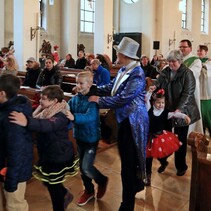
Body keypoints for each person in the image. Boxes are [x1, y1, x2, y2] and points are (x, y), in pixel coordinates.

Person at [89, 37, 149, 211]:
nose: (116, 54)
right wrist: (90, 89)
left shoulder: (137, 74)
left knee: (128, 164)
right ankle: (136, 184)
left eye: (118, 52)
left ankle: (127, 204)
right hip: (124, 120)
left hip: (134, 122)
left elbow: (122, 98)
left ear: (124, 55)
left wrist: (99, 101)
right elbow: (111, 87)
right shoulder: (124, 69)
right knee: (126, 158)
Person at [9, 85, 79, 211]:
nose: (40, 101)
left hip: (58, 154)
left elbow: (47, 125)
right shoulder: (43, 110)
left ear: (54, 101)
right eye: (41, 98)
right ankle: (65, 194)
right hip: (48, 152)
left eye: (44, 99)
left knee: (53, 186)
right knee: (47, 181)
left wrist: (27, 122)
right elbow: (38, 119)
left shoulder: (61, 114)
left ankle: (59, 206)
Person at [149, 49, 200, 176]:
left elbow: (188, 93)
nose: (171, 64)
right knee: (163, 138)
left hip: (183, 109)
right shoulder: (165, 71)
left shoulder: (187, 73)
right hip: (167, 110)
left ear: (180, 61)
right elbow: (159, 83)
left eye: (173, 62)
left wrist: (179, 109)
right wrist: (154, 87)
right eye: (169, 61)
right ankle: (163, 161)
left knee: (180, 140)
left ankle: (181, 166)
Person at [66, 71, 108, 207]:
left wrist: (74, 117)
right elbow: (68, 108)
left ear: (90, 84)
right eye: (76, 83)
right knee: (81, 167)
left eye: (81, 83)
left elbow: (91, 117)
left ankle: (102, 180)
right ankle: (89, 190)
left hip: (91, 138)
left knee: (86, 167)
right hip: (79, 137)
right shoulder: (76, 98)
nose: (78, 85)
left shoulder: (92, 99)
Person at [0, 74, 33, 211]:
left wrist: (12, 180)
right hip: (5, 166)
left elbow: (17, 151)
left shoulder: (13, 117)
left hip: (13, 171)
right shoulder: (5, 107)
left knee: (15, 205)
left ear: (2, 93)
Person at [144, 89, 191, 186]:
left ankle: (163, 162)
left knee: (161, 155)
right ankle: (148, 176)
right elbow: (146, 99)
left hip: (160, 137)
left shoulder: (166, 113)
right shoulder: (149, 109)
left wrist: (184, 116)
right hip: (149, 137)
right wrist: (149, 92)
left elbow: (175, 114)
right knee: (148, 158)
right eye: (158, 103)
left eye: (162, 103)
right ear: (153, 103)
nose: (160, 105)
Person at [179, 39, 203, 134]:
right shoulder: (178, 59)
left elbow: (192, 74)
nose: (181, 49)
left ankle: (191, 133)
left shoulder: (196, 60)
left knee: (190, 112)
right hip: (179, 90)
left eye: (184, 47)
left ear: (190, 48)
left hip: (191, 91)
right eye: (180, 47)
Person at [197, 44, 211, 136]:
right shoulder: (196, 61)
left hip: (207, 92)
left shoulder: (209, 62)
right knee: (200, 114)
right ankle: (201, 135)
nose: (198, 52)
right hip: (198, 91)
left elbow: (207, 74)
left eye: (200, 51)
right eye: (198, 51)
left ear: (206, 52)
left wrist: (201, 66)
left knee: (206, 114)